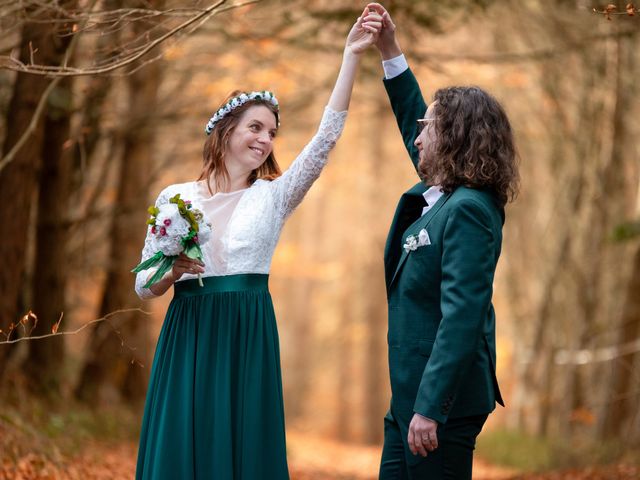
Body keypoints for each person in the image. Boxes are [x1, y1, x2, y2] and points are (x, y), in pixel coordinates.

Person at [133, 8, 382, 480]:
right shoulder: (174, 199)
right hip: (189, 333)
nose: (266, 139)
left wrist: (350, 55)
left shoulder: (275, 196)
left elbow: (326, 138)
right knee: (185, 446)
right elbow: (143, 286)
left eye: (271, 132)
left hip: (247, 333)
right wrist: (172, 272)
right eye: (256, 127)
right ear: (226, 131)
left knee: (243, 448)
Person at [365, 3, 519, 479]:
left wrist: (430, 409)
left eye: (427, 130)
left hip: (439, 408)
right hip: (408, 399)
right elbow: (413, 114)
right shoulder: (446, 196)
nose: (417, 138)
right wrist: (389, 49)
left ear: (453, 138)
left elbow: (462, 316)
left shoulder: (469, 210)